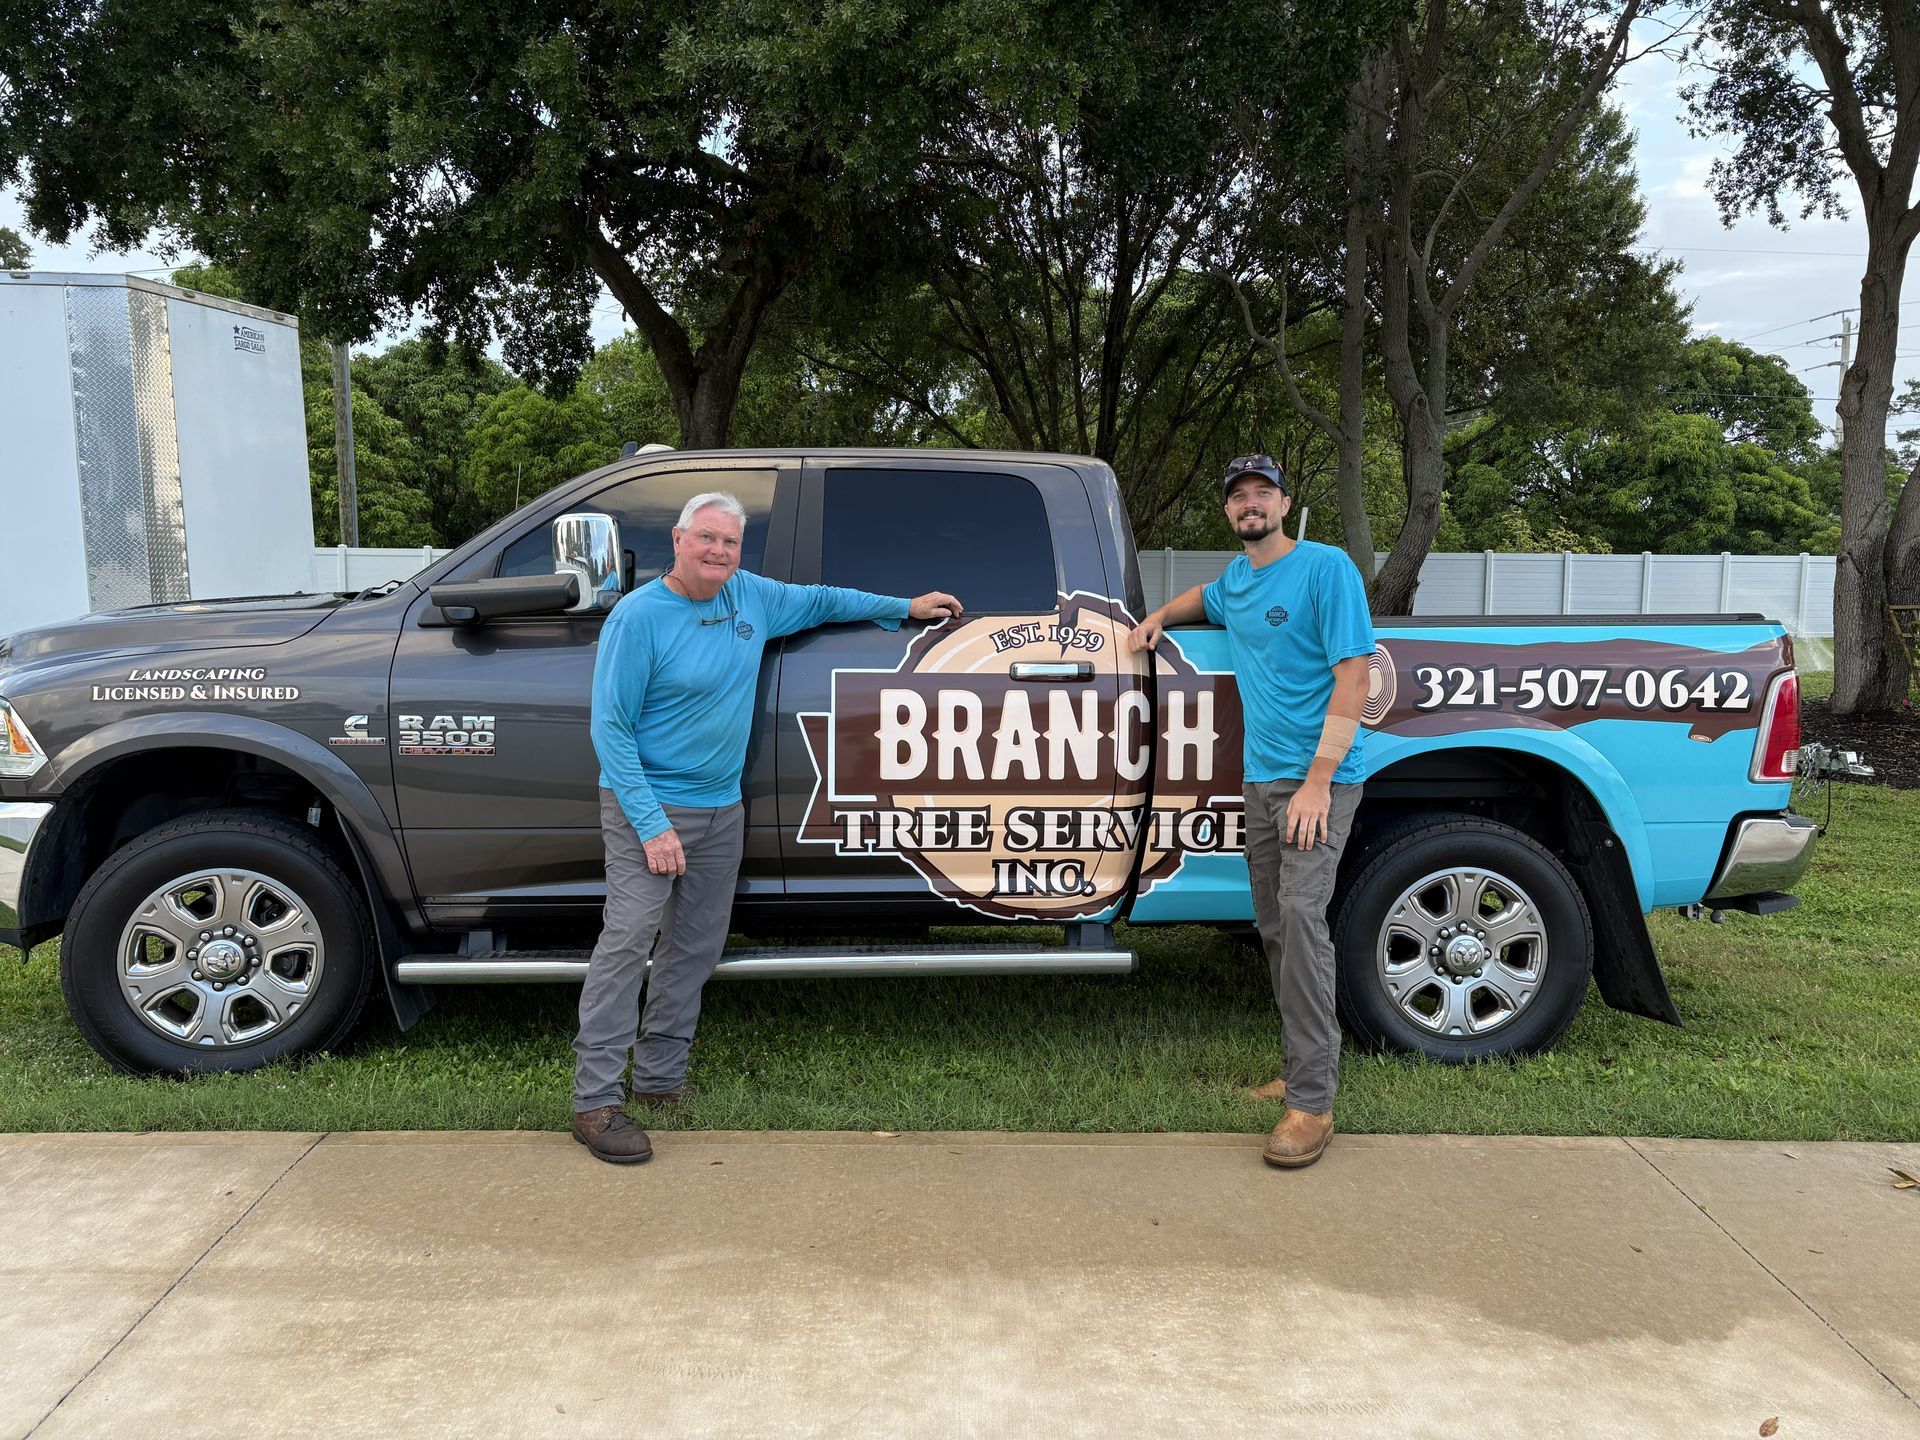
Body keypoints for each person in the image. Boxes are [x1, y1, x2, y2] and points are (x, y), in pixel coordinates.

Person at [571, 491, 962, 1164]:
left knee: (693, 947)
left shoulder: (750, 597)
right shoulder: (638, 618)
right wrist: (652, 826)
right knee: (628, 941)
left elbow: (823, 599)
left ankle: (661, 1080)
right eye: (707, 539)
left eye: (729, 541)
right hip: (649, 810)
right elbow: (610, 728)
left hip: (722, 809)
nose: (718, 551)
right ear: (679, 539)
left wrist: (904, 607)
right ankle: (595, 1102)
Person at [1128, 454, 1374, 1169]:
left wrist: (1318, 781)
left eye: (1262, 493)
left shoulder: (1325, 570)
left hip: (1316, 783)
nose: (1250, 505)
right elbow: (1206, 595)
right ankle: (1300, 1068)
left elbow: (1355, 676)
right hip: (1263, 781)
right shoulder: (1239, 581)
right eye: (1239, 497)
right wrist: (1156, 617)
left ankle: (1314, 1104)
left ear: (1284, 501)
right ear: (1230, 513)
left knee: (1301, 919)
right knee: (1272, 926)